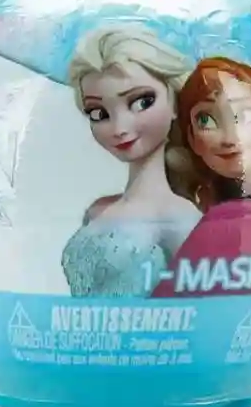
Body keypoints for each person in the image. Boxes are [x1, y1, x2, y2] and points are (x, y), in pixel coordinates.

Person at [60, 25, 201, 297]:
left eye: (142, 102)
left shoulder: (178, 217)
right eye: (99, 113)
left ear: (174, 103)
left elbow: (200, 307)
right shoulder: (96, 212)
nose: (119, 128)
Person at [152, 57, 251, 297]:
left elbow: (162, 311)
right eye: (206, 120)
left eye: (246, 115)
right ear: (192, 139)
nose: (231, 138)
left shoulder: (224, 226)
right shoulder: (221, 225)